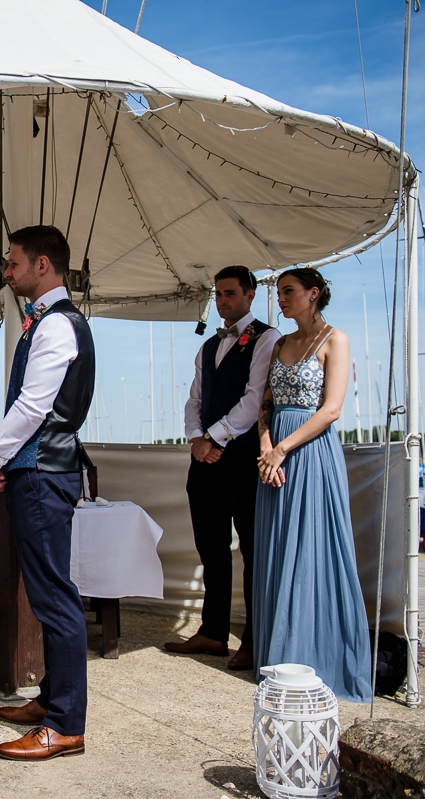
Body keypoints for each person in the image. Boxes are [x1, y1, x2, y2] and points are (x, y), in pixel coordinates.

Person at [0, 225, 95, 762]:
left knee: (54, 596)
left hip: (46, 472)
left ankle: (65, 725)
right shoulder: (46, 321)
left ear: (41, 265)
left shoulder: (58, 324)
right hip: (39, 471)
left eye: (13, 263)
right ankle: (50, 698)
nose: (6, 272)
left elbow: (33, 406)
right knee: (47, 593)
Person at [253, 267, 372, 703]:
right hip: (274, 455)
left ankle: (314, 655)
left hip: (310, 453)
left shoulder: (335, 340)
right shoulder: (280, 343)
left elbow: (331, 409)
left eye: (288, 291)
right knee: (278, 547)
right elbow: (265, 403)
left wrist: (282, 449)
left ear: (314, 293)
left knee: (310, 547)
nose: (281, 299)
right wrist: (265, 447)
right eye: (279, 292)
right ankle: (278, 655)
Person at [164, 266, 279, 671]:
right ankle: (213, 632)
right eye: (218, 294)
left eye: (230, 293)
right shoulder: (208, 345)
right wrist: (197, 439)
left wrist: (214, 438)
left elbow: (254, 398)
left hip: (245, 459)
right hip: (204, 460)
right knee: (211, 548)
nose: (222, 301)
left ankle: (254, 640)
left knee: (252, 551)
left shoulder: (268, 339)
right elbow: (194, 398)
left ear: (250, 295)